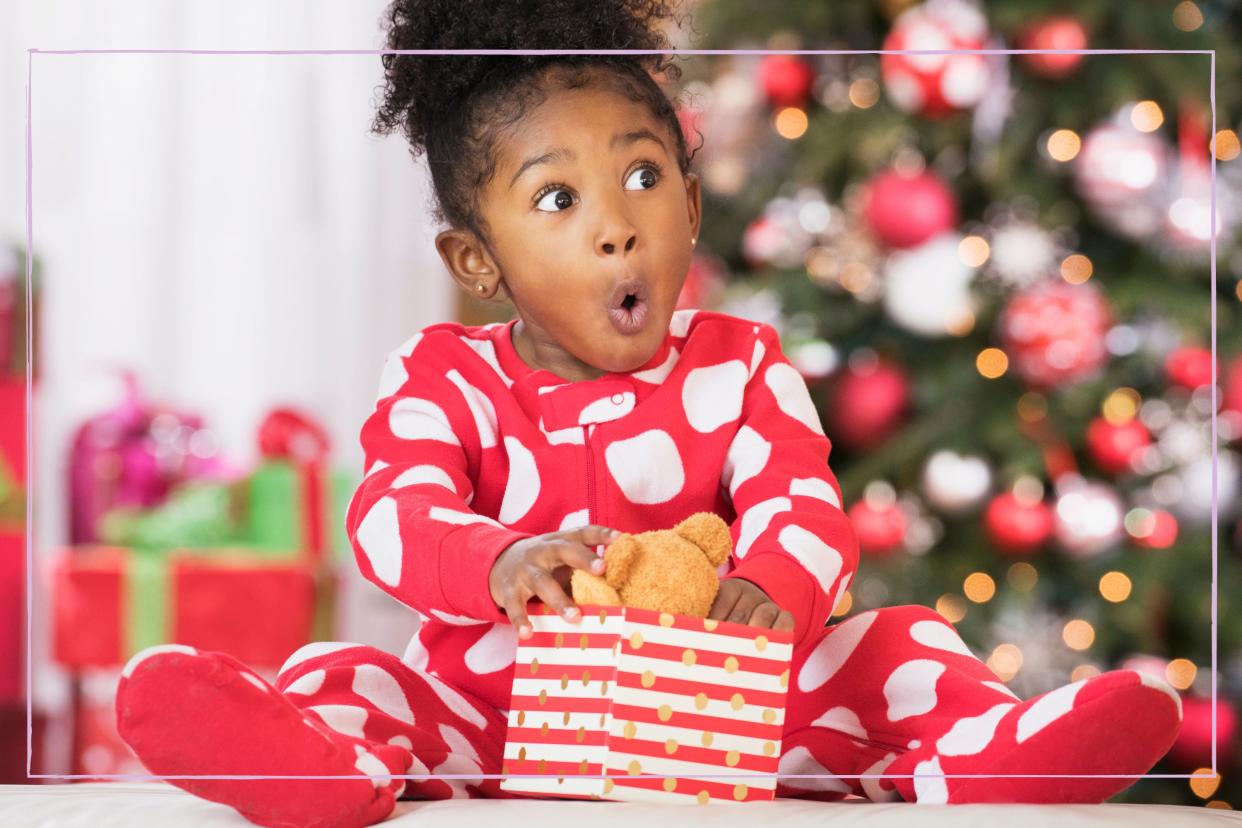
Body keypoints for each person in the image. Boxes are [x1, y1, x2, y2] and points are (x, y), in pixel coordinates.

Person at [114, 1, 1183, 825]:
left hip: (732, 716)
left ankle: (993, 753)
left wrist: (773, 584)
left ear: (693, 198)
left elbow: (801, 500)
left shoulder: (743, 364)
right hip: (503, 711)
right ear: (478, 261)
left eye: (642, 174)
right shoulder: (443, 376)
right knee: (355, 676)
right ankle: (313, 759)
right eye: (558, 199)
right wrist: (498, 562)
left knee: (900, 644)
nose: (618, 228)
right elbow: (392, 514)